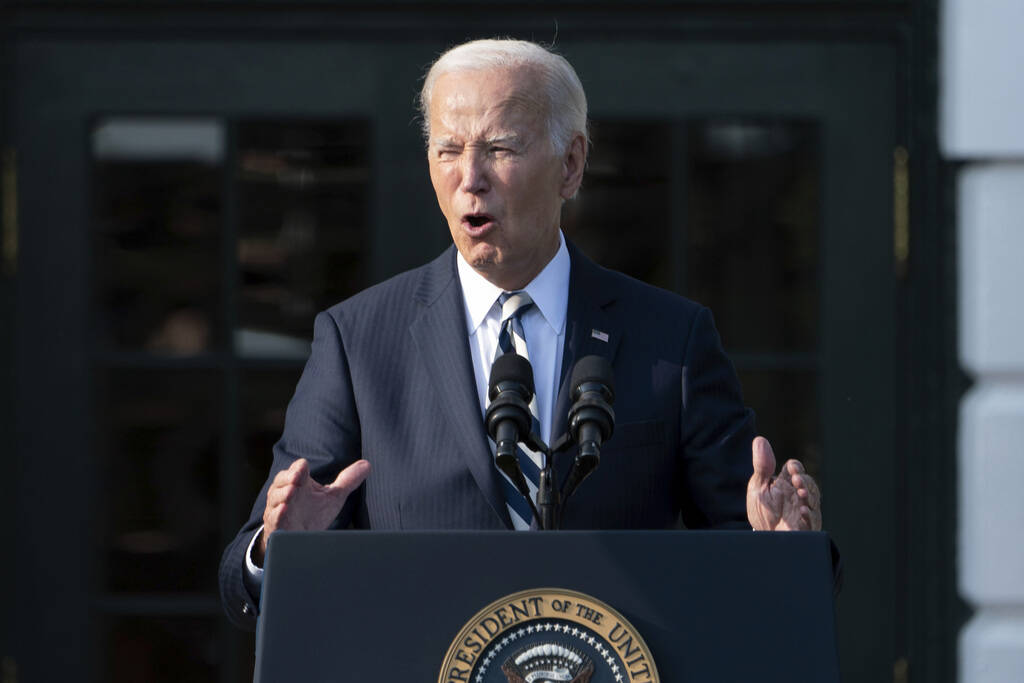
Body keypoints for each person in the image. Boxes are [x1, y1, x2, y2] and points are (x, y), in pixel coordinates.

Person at [219, 38, 823, 631]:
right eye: (448, 150)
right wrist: (278, 552)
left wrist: (784, 553)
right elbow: (246, 575)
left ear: (571, 165)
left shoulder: (673, 337)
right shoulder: (356, 341)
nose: (470, 178)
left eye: (500, 148)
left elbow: (748, 550)